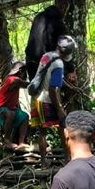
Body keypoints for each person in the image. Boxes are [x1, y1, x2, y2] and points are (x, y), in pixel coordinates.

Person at [30, 35, 77, 167]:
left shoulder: (47, 56)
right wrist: (59, 109)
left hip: (36, 98)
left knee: (42, 131)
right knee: (63, 127)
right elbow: (52, 88)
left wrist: (70, 86)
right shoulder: (59, 64)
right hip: (47, 100)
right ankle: (68, 158)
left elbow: (52, 78)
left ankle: (44, 161)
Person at [25, 0, 69, 81]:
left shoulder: (38, 17)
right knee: (51, 91)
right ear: (63, 8)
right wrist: (70, 69)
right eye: (66, 11)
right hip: (44, 63)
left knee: (35, 92)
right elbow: (65, 48)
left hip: (30, 61)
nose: (65, 14)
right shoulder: (59, 24)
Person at [0, 61, 30, 150]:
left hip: (10, 109)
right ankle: (7, 141)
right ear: (20, 71)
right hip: (0, 110)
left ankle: (21, 142)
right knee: (10, 114)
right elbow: (27, 85)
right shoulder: (14, 80)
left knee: (25, 116)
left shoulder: (12, 79)